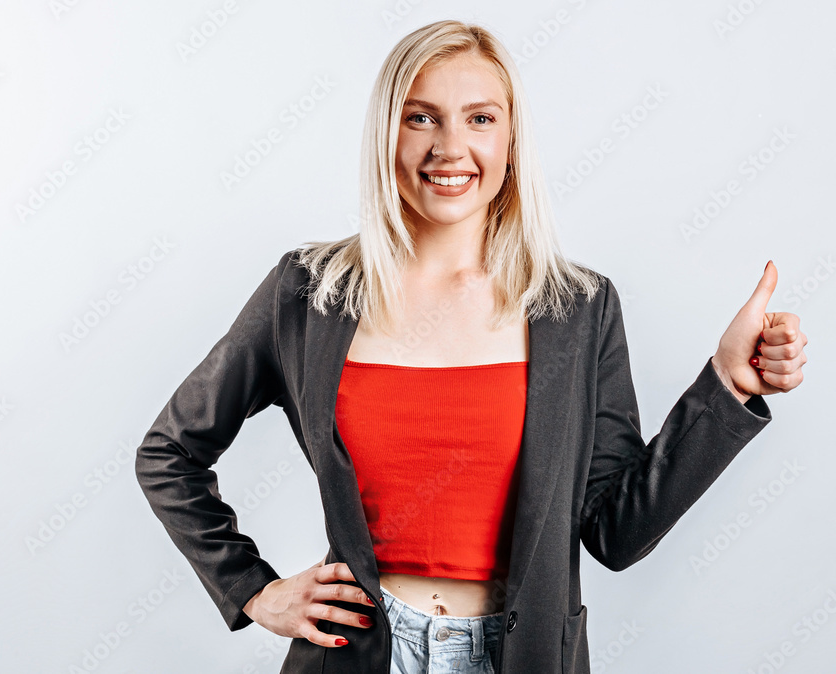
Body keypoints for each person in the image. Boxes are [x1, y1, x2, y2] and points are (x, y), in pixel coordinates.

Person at [135, 20, 808, 674]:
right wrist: (254, 590)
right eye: (421, 117)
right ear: (385, 134)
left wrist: (729, 383)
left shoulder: (577, 308)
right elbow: (170, 452)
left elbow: (616, 532)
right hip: (359, 656)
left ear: (512, 142)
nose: (449, 149)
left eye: (480, 119)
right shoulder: (309, 293)